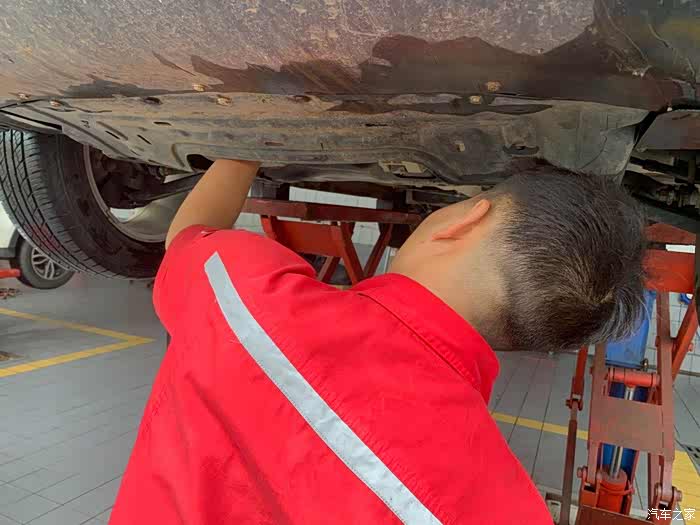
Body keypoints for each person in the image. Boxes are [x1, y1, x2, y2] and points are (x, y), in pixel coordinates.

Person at [110, 159, 646, 524]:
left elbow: (187, 238)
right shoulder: (512, 510)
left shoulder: (248, 303)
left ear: (466, 220)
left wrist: (243, 151)